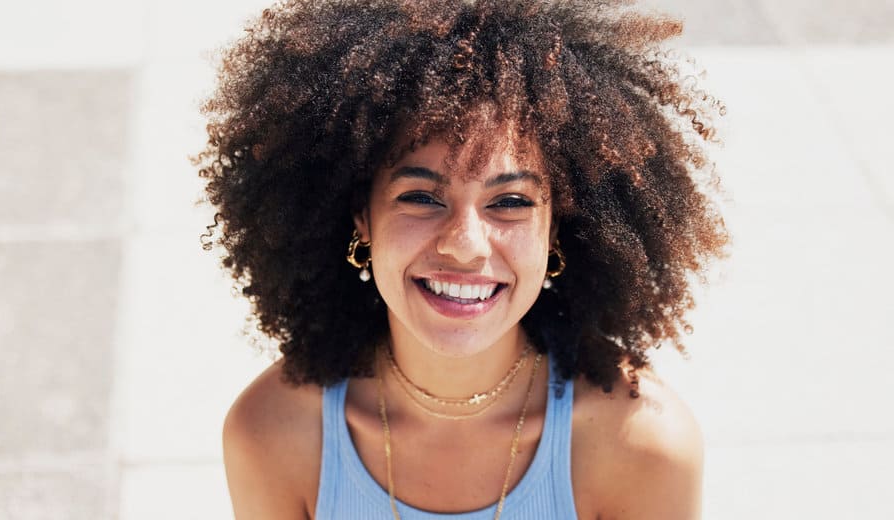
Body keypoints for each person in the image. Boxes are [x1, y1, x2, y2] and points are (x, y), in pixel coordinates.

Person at [196, 0, 729, 518]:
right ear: (362, 216)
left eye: (511, 202)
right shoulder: (274, 433)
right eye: (422, 198)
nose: (465, 244)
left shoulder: (641, 443)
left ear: (556, 229)